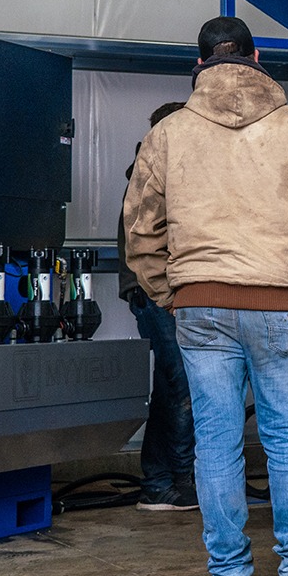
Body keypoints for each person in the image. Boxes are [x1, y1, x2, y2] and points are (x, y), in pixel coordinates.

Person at [123, 16, 288, 576]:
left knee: (216, 442)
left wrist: (170, 293)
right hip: (281, 302)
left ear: (199, 65)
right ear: (255, 58)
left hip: (200, 304)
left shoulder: (168, 133)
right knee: (287, 436)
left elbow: (141, 230)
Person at [117, 101, 197, 511]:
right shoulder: (152, 175)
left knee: (170, 387)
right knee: (183, 384)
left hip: (161, 291)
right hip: (158, 292)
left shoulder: (159, 171)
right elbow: (148, 245)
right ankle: (181, 481)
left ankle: (158, 481)